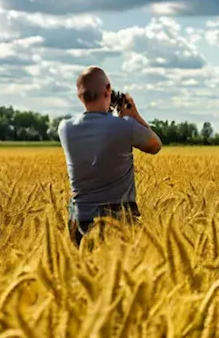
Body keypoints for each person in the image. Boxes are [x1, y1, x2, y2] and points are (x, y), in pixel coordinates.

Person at [58, 67, 162, 247]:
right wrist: (133, 115)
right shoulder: (125, 126)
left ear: (79, 96)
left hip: (79, 220)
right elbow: (155, 145)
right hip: (119, 221)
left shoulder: (65, 128)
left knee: (84, 272)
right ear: (108, 89)